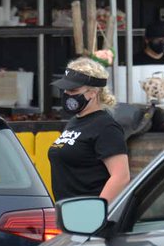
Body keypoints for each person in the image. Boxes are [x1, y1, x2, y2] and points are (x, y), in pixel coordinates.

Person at [49, 57, 130, 203]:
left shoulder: (106, 127)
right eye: (65, 89)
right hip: (68, 213)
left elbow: (121, 177)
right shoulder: (75, 122)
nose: (67, 94)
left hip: (88, 216)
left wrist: (95, 213)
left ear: (93, 92)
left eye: (73, 90)